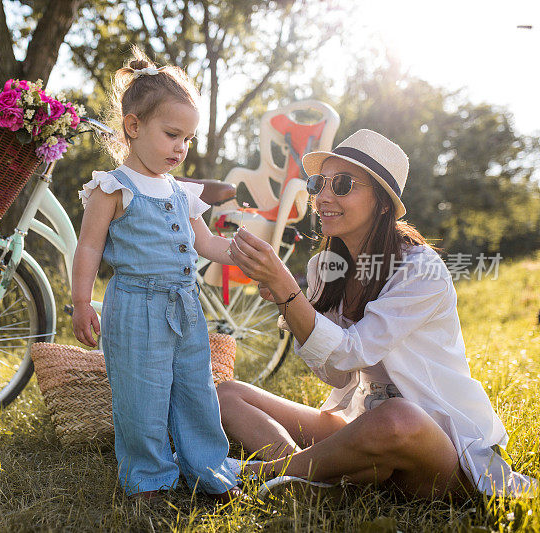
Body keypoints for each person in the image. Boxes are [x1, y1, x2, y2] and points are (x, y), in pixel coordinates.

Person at [220, 129, 538, 499]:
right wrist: (285, 300)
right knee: (227, 394)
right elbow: (336, 374)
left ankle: (272, 472)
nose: (322, 196)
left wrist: (288, 291)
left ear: (383, 203)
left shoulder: (421, 269)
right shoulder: (325, 268)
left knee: (398, 416)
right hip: (362, 424)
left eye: (342, 184)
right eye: (318, 183)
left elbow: (351, 352)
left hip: (436, 445)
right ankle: (308, 480)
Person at [71, 48, 241, 502]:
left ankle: (208, 468)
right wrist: (82, 302)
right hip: (136, 307)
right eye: (171, 135)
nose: (181, 148)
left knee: (195, 390)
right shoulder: (113, 188)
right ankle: (149, 477)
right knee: (141, 398)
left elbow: (207, 245)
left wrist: (242, 252)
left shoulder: (182, 192)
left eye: (187, 138)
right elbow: (88, 246)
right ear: (133, 127)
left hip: (186, 308)